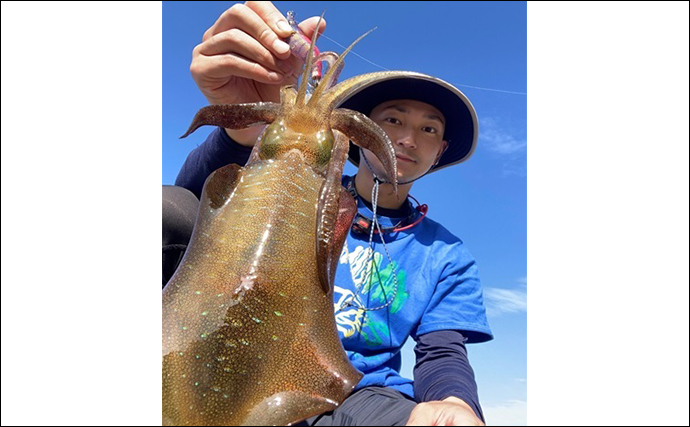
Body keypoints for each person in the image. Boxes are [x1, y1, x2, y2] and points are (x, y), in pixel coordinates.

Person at [163, 2, 493, 425]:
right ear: (355, 131)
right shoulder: (296, 186)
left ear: (440, 150)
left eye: (429, 129)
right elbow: (185, 212)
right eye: (392, 119)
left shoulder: (447, 255)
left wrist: (455, 403)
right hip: (220, 352)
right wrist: (241, 135)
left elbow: (442, 351)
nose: (408, 138)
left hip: (357, 392)